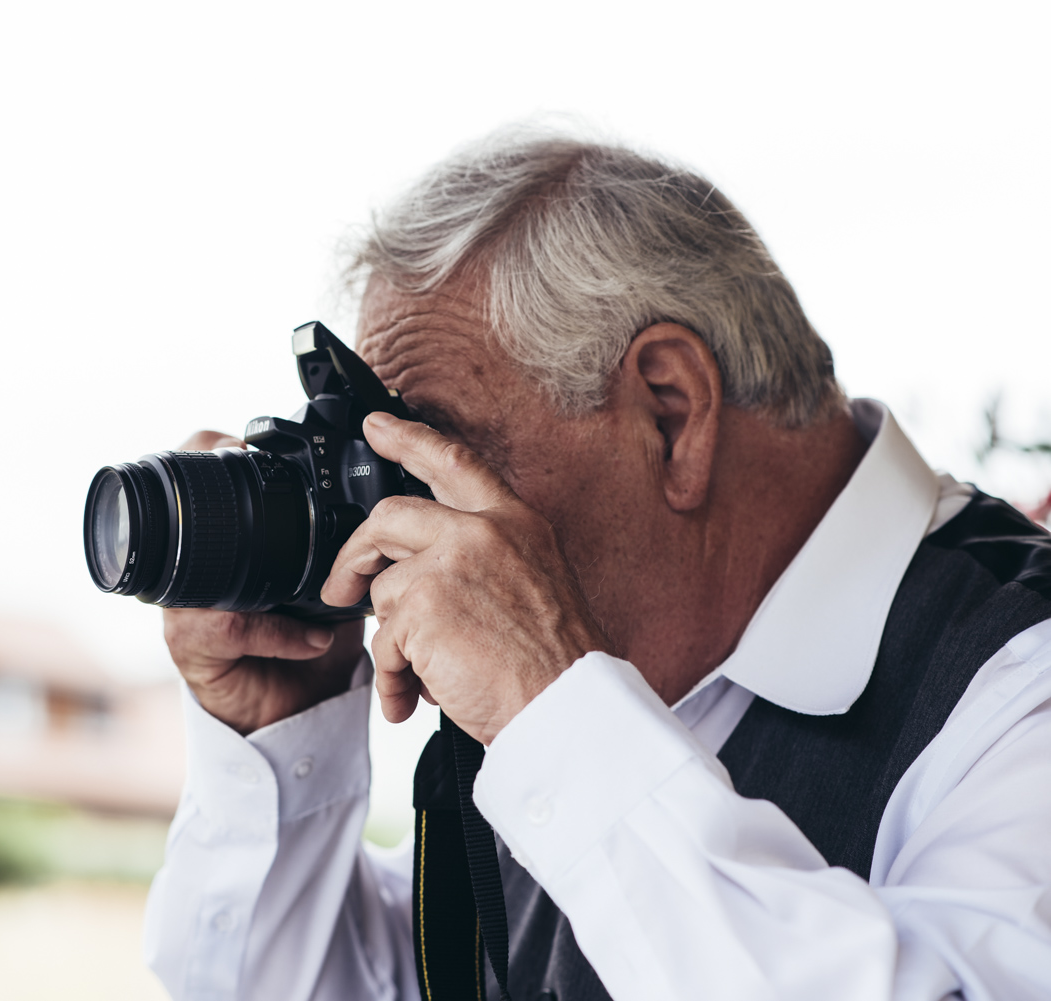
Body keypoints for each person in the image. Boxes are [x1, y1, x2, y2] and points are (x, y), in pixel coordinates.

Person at [142, 129, 1051, 1000]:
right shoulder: (590, 707)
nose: (397, 522)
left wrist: (559, 720)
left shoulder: (1022, 678)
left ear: (668, 412)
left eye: (435, 451)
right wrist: (275, 747)